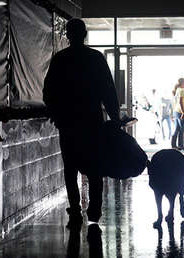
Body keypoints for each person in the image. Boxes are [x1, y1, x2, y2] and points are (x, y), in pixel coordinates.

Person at [43, 19, 121, 228]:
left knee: (71, 167)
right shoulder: (96, 58)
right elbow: (108, 91)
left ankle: (75, 211)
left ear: (67, 35)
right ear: (85, 34)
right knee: (95, 167)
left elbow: (48, 92)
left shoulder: (60, 59)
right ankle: (94, 209)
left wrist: (56, 114)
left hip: (68, 124)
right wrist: (115, 119)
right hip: (92, 123)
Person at [171, 78, 184, 151]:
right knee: (181, 130)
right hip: (180, 112)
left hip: (176, 112)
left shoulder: (176, 90)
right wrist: (183, 112)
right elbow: (181, 102)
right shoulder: (181, 91)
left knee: (177, 129)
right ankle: (181, 145)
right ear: (183, 83)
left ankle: (174, 145)